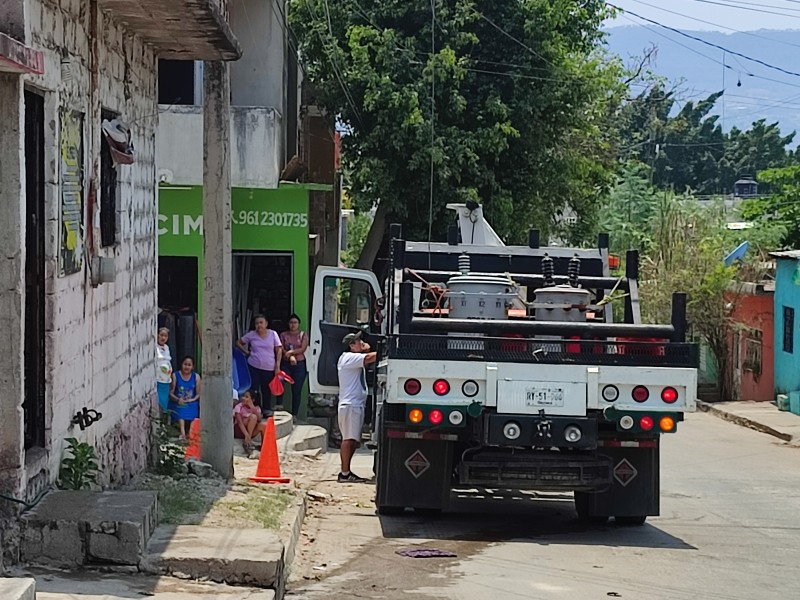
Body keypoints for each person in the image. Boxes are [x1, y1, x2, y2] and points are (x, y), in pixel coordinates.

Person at [337, 331, 377, 483]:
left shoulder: (353, 358)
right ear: (351, 346)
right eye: (358, 341)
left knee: (353, 440)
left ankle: (347, 471)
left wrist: (367, 348)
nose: (362, 343)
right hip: (350, 405)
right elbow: (369, 358)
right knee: (348, 439)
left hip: (355, 405)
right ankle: (344, 473)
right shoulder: (348, 357)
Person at [236, 315, 283, 414]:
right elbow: (238, 342)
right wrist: (247, 352)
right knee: (254, 390)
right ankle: (255, 409)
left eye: (261, 323)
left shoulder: (273, 334)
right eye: (257, 323)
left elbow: (279, 350)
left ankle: (266, 409)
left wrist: (277, 365)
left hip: (269, 367)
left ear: (266, 323)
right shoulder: (251, 335)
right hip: (254, 366)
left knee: (266, 389)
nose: (259, 325)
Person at [280, 314, 309, 417]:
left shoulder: (302, 335)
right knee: (280, 380)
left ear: (298, 324)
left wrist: (291, 353)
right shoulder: (283, 335)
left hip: (299, 365)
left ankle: (295, 414)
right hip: (286, 364)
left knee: (296, 390)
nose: (293, 325)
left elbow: (302, 349)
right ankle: (279, 405)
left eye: (295, 323)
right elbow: (281, 348)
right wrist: (289, 357)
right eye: (291, 323)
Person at [169, 356, 201, 439]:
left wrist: (192, 399)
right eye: (185, 364)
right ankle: (182, 433)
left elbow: (198, 394)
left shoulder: (196, 377)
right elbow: (171, 393)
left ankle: (190, 433)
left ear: (192, 367)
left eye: (189, 365)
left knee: (194, 407)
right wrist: (177, 399)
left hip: (191, 401)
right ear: (181, 365)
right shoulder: (175, 375)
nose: (187, 367)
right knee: (181, 409)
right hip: (178, 401)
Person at [234, 389, 265, 456]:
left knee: (263, 426)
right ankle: (248, 442)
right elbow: (239, 422)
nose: (243, 398)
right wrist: (246, 434)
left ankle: (263, 446)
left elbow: (259, 419)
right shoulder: (239, 406)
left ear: (252, 400)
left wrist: (252, 407)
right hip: (239, 430)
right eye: (243, 396)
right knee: (253, 417)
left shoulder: (256, 408)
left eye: (246, 397)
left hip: (249, 432)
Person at [156, 327, 173, 412]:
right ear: (157, 335)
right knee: (159, 402)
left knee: (165, 403)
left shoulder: (166, 347)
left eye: (165, 336)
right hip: (158, 380)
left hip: (166, 380)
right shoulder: (155, 347)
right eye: (161, 335)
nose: (163, 338)